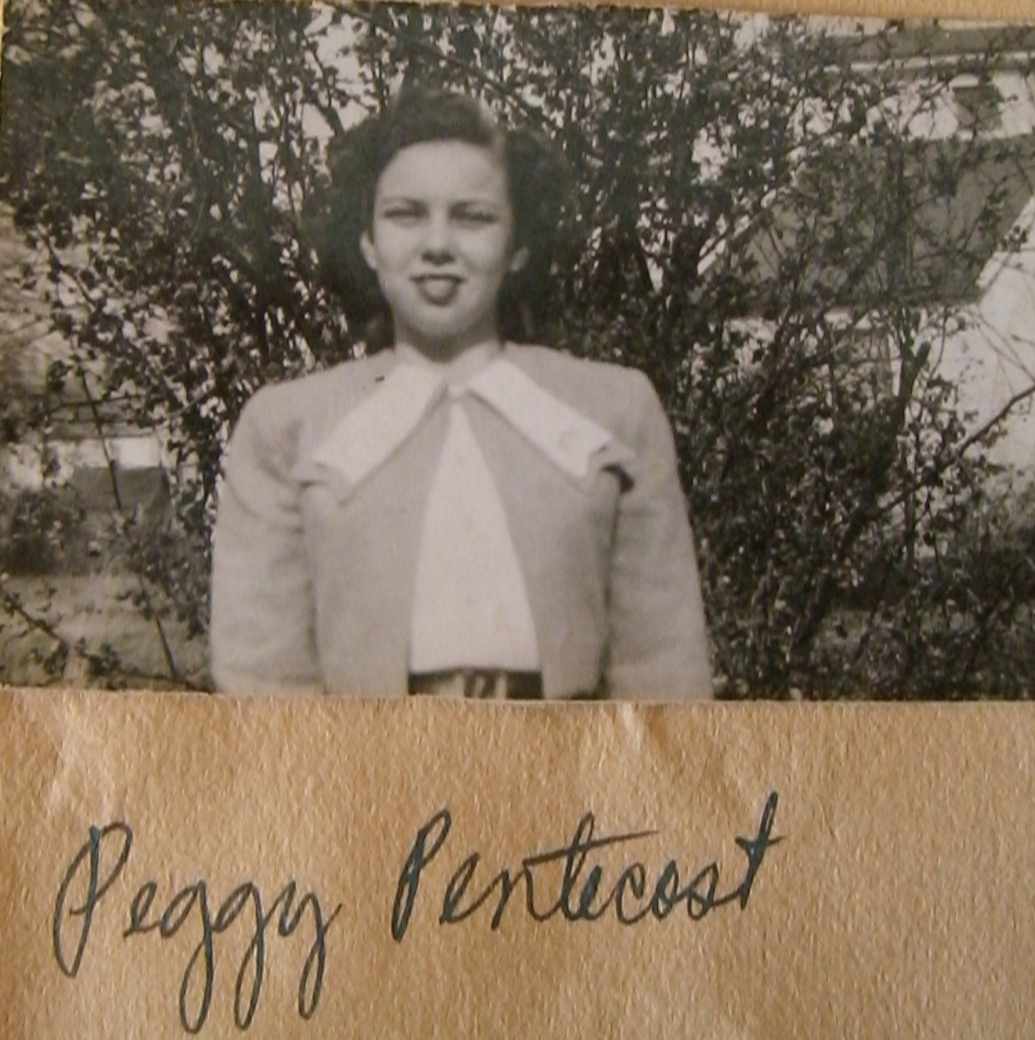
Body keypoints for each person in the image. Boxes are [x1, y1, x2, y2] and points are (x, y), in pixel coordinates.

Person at [210, 87, 712, 700]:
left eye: (473, 217)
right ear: (367, 242)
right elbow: (263, 680)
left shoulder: (616, 410)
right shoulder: (286, 426)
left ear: (518, 244)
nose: (438, 245)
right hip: (363, 755)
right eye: (405, 214)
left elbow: (664, 670)